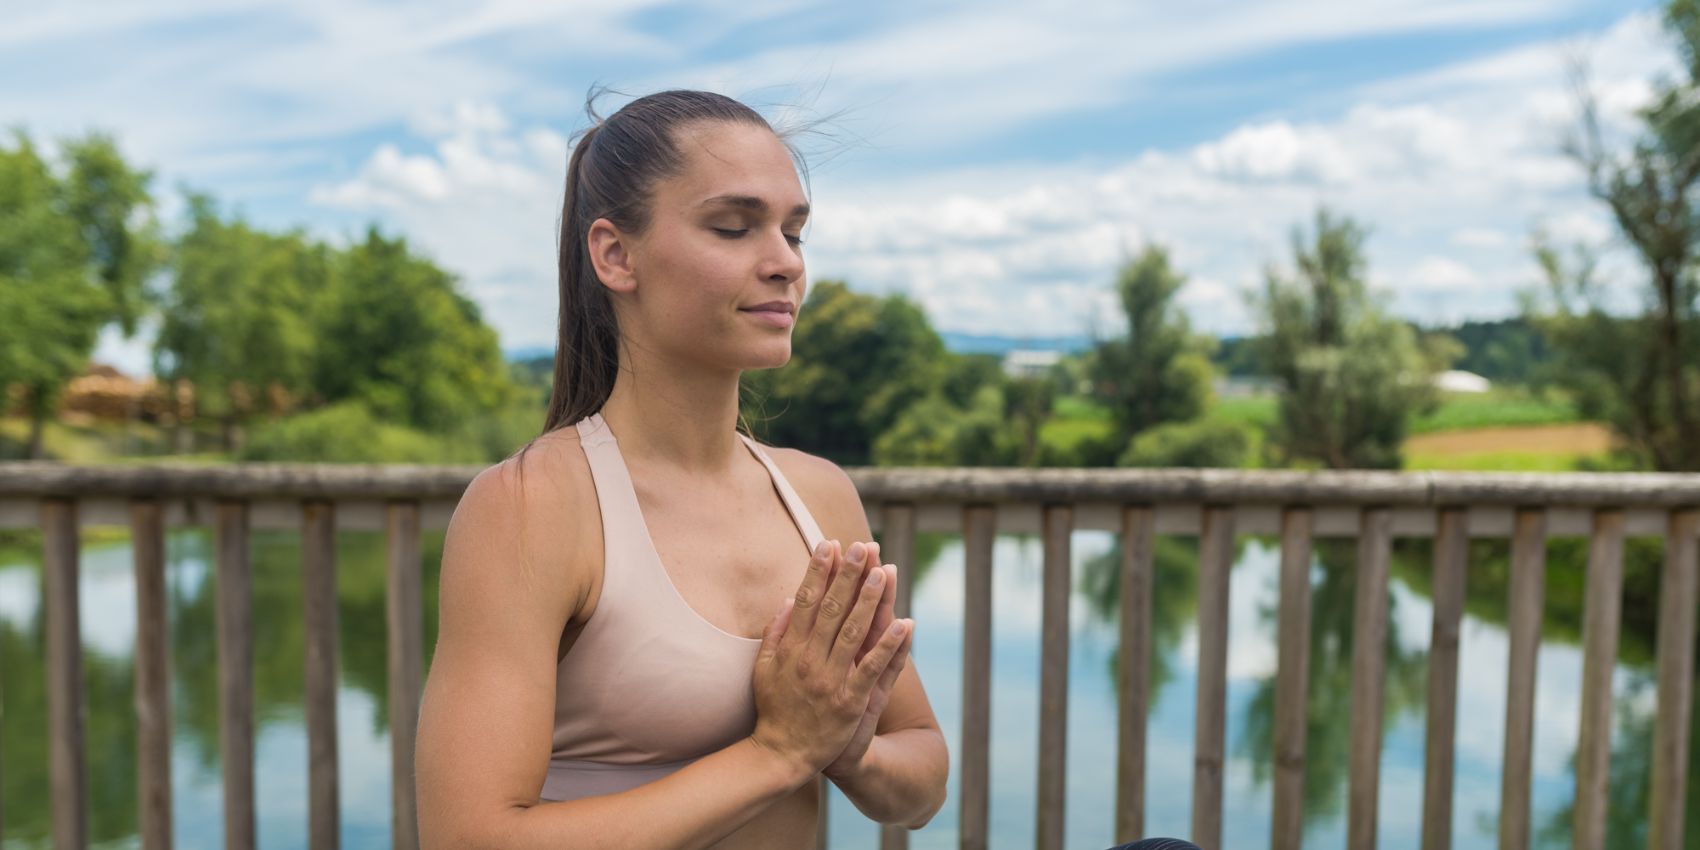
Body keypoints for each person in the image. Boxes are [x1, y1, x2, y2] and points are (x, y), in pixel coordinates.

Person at [414, 88, 949, 849]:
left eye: (794, 233)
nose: (784, 264)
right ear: (615, 255)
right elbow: (468, 838)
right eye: (734, 227)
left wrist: (848, 744)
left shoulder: (818, 496)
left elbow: (923, 775)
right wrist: (779, 751)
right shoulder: (532, 506)